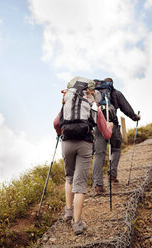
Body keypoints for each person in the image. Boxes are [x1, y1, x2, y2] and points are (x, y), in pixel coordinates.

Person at [53, 77, 113, 235]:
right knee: (80, 185)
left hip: (67, 143)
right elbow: (106, 134)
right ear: (91, 91)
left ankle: (69, 211)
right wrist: (110, 127)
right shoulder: (92, 104)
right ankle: (77, 223)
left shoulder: (68, 102)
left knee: (69, 177)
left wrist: (61, 133)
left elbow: (55, 123)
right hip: (84, 145)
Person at [92, 77, 140, 194]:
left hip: (98, 126)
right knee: (116, 149)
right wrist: (135, 117)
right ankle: (112, 175)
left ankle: (98, 184)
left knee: (99, 154)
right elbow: (126, 108)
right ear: (111, 84)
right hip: (113, 125)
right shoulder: (115, 93)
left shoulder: (95, 93)